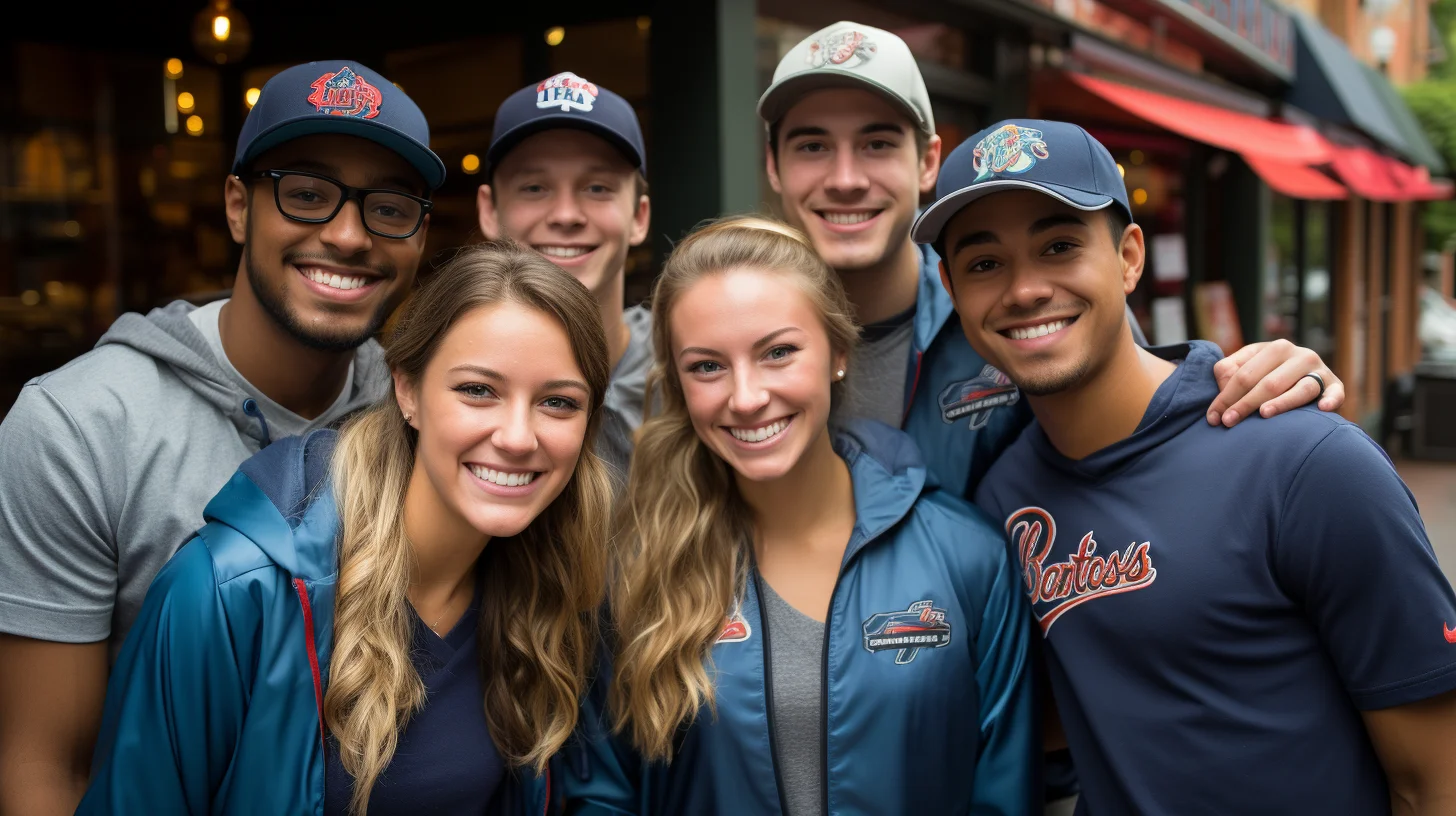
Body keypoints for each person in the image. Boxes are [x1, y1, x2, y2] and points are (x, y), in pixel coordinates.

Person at [917, 118, 1456, 813]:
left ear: (1129, 257)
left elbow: (1435, 780)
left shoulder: (1305, 462)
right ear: (952, 289)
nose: (1024, 289)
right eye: (985, 263)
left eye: (1059, 246)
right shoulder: (1001, 500)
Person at [0, 60, 443, 815]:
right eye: (306, 195)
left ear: (420, 236)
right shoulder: (79, 426)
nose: (346, 235)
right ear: (239, 207)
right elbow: (49, 768)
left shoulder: (423, 416)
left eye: (389, 208)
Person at [78, 243, 615, 814]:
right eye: (477, 390)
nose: (517, 437)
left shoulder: (559, 582)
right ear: (407, 391)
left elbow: (593, 794)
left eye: (557, 402)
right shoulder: (230, 588)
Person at [757, 21, 1346, 501]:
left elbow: (1152, 417)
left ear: (926, 162)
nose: (846, 179)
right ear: (774, 167)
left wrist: (1264, 384)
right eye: (812, 146)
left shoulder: (1009, 317)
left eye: (877, 143)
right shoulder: (738, 340)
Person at [567, 216, 1036, 815]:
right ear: (680, 385)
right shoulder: (635, 572)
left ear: (837, 351)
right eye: (707, 366)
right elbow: (603, 797)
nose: (746, 396)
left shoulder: (969, 559)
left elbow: (1004, 795)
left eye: (778, 353)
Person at [477, 72, 652, 477]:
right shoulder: (439, 376)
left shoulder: (690, 368)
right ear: (490, 211)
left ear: (639, 216)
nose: (566, 215)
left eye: (597, 188)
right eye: (535, 187)